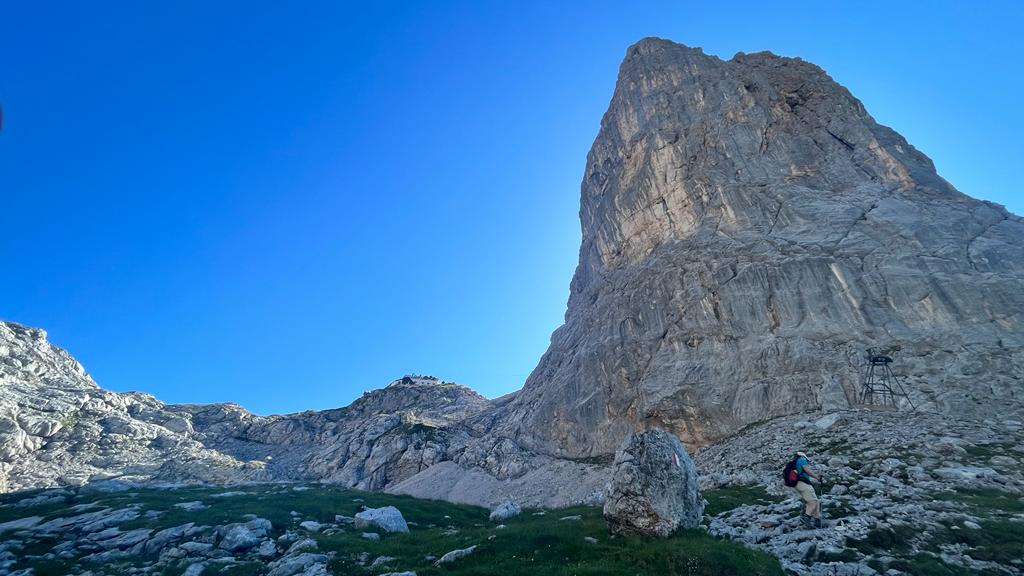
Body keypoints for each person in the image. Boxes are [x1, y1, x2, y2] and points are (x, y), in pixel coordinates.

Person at [792, 451, 822, 528]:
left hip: (797, 484)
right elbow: (807, 470)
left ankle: (817, 520)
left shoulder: (795, 462)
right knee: (813, 502)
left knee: (815, 501)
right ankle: (806, 518)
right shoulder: (802, 459)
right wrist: (817, 478)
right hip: (803, 483)